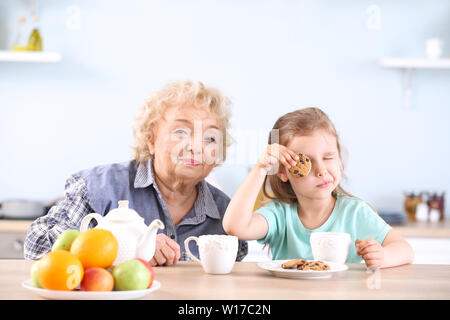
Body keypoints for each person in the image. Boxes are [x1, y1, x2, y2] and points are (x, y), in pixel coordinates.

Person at [24, 80, 248, 265]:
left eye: (210, 137)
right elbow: (37, 245)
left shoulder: (227, 214)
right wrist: (127, 245)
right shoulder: (98, 188)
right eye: (181, 131)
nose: (196, 147)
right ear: (150, 139)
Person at [223, 107, 413, 268]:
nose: (321, 170)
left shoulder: (355, 213)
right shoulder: (280, 216)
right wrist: (261, 168)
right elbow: (235, 227)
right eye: (307, 162)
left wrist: (383, 256)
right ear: (283, 171)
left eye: (328, 157)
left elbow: (405, 250)